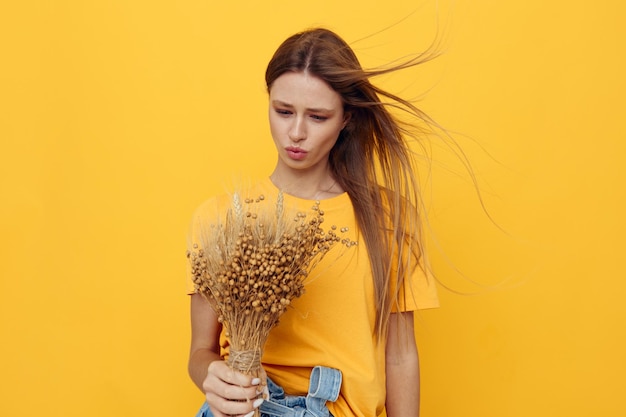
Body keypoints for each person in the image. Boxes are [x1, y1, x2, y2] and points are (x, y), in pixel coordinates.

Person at [187, 28, 440, 417]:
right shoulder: (221, 217)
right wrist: (215, 379)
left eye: (318, 116)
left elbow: (402, 354)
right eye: (283, 111)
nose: (296, 133)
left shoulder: (388, 218)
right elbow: (200, 352)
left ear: (346, 119)